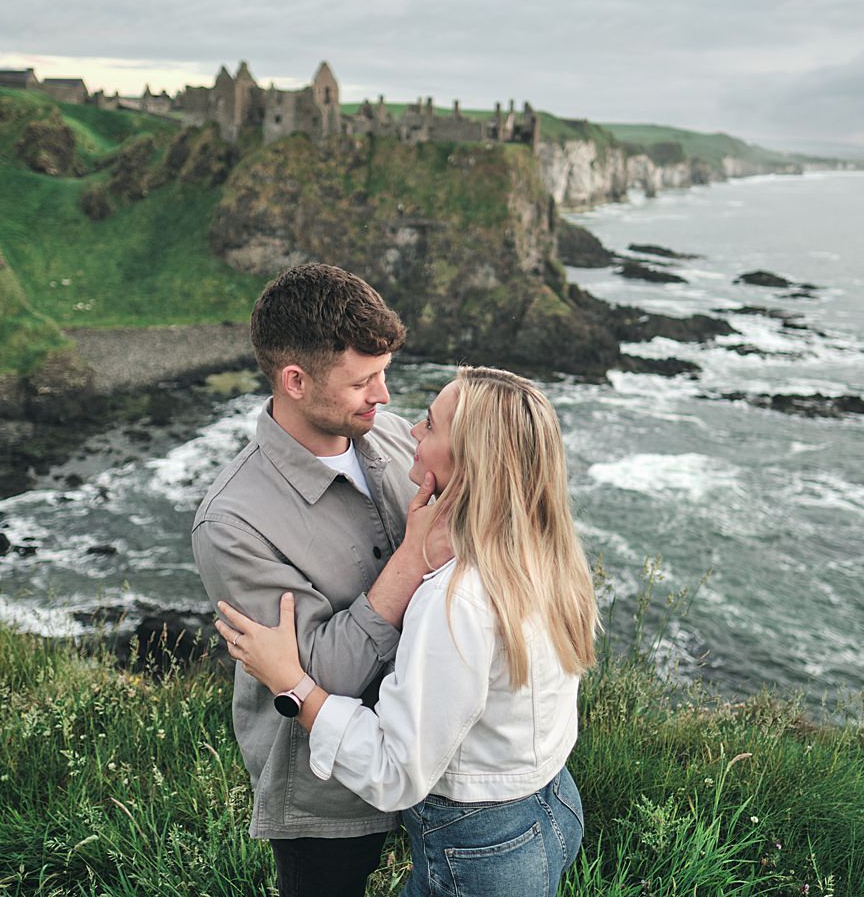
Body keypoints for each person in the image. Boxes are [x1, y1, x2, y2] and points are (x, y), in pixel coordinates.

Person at [217, 366, 599, 897]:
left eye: (429, 424)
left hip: (481, 849)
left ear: (469, 462)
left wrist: (292, 684)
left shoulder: (458, 598)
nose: (410, 432)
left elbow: (396, 771)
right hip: (554, 806)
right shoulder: (544, 549)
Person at [192, 263, 450, 897]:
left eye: (384, 373)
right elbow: (318, 677)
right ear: (295, 380)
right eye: (363, 381)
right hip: (325, 790)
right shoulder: (232, 523)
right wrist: (413, 557)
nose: (385, 396)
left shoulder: (389, 437)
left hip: (430, 753)